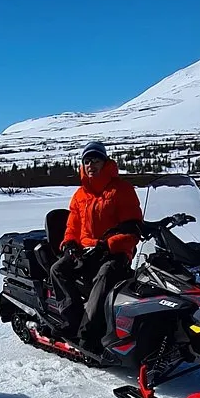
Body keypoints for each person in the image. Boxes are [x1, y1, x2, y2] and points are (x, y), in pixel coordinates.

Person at [49, 141, 142, 349]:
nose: (91, 165)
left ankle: (88, 332)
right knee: (58, 269)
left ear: (105, 162)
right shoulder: (80, 195)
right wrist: (69, 244)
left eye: (96, 160)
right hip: (86, 251)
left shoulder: (121, 190)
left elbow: (132, 229)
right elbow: (72, 226)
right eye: (87, 161)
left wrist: (107, 245)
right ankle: (72, 320)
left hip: (115, 252)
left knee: (105, 274)